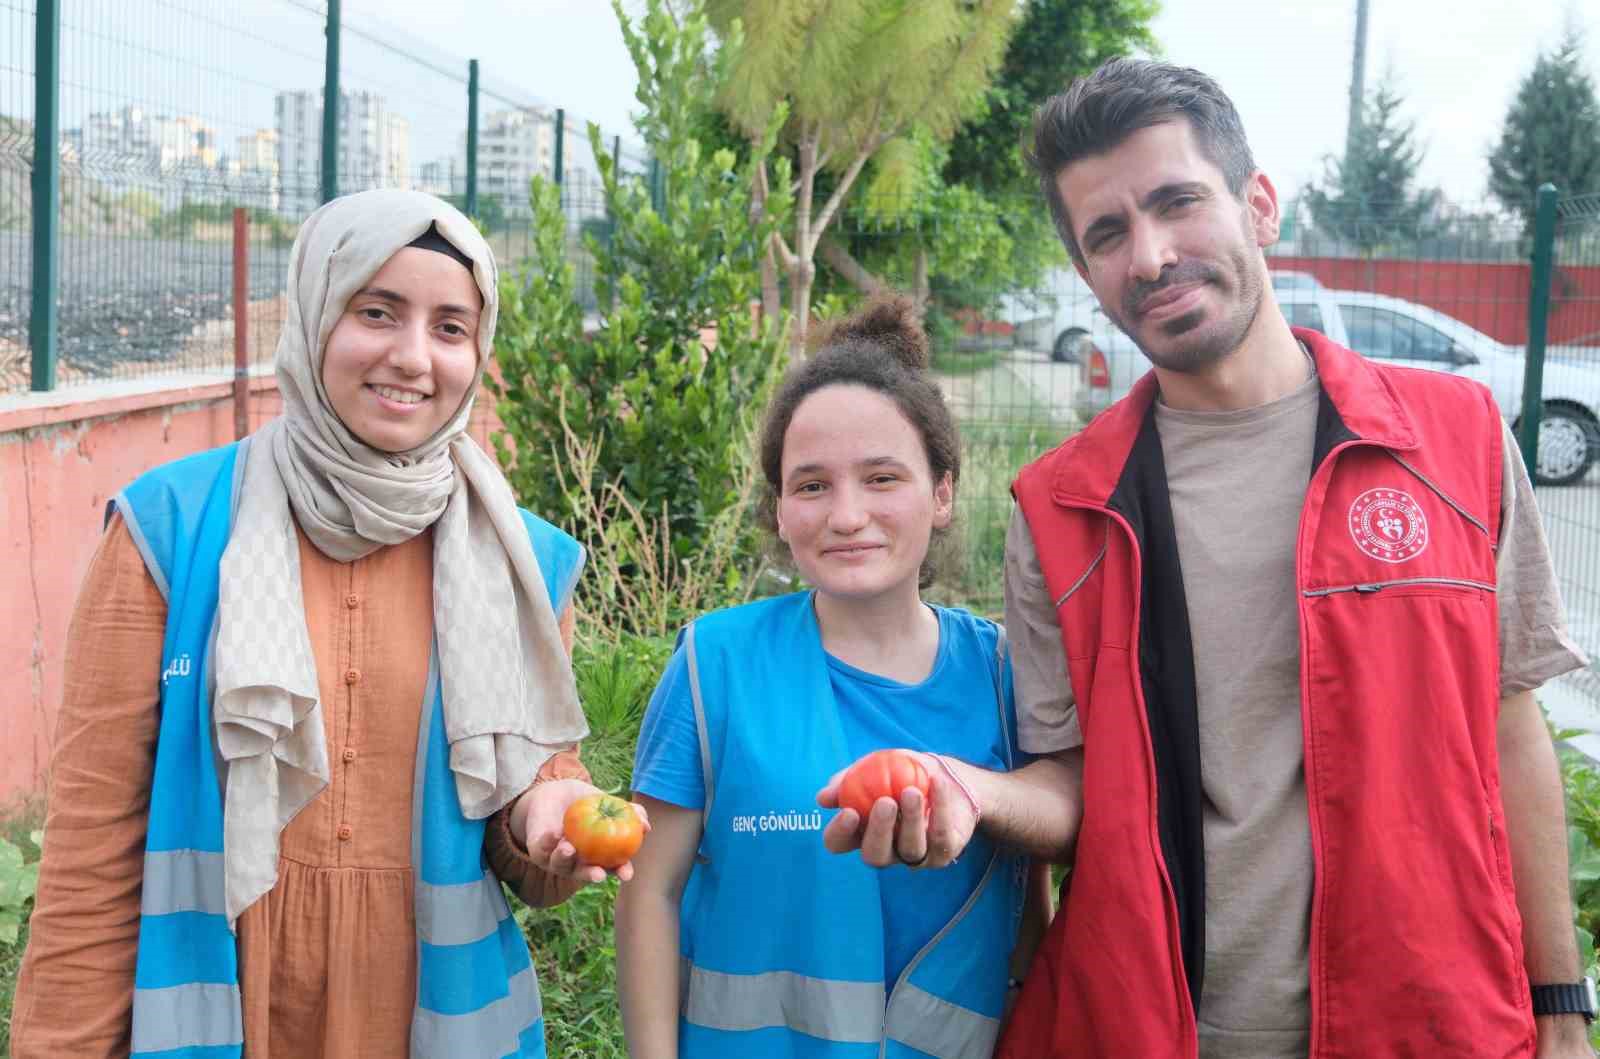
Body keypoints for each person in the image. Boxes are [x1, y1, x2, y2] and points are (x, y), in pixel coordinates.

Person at [987, 58, 1592, 1058]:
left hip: (1427, 1021)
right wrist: (967, 802)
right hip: (1160, 1029)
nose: (1148, 255)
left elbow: (1511, 728)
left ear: (1258, 205)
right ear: (1089, 276)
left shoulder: (1456, 438)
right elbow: (1065, 792)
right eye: (1105, 234)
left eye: (1178, 202)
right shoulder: (1057, 508)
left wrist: (1559, 1002)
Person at [11, 189, 644, 1059]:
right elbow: (92, 852)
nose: (413, 356)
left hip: (428, 1018)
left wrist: (548, 822)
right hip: (227, 1008)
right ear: (313, 317)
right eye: (376, 311)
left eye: (452, 327)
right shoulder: (170, 533)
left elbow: (521, 842)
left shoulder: (519, 561)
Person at [614, 294, 1050, 1058]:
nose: (846, 515)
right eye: (812, 485)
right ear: (780, 510)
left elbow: (1026, 903)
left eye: (882, 478)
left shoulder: (1007, 675)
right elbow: (649, 890)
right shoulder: (713, 666)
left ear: (943, 493)